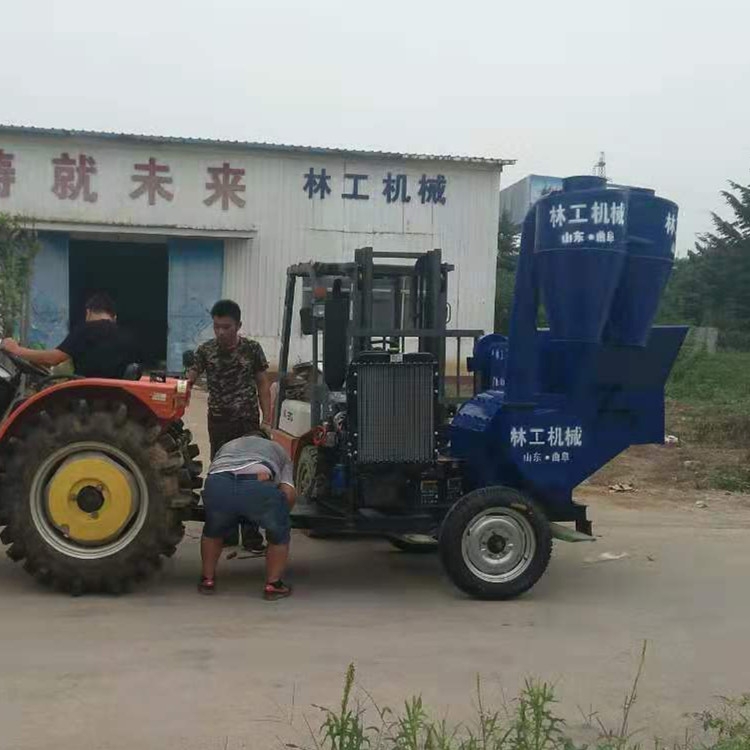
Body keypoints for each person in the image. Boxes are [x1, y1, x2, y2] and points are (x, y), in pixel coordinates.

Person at [187, 299, 272, 554]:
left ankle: (251, 535)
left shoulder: (252, 350)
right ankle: (227, 533)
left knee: (249, 478)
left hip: (247, 422)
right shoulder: (205, 351)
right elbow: (189, 378)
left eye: (226, 327)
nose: (221, 332)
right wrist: (183, 388)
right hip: (219, 422)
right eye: (216, 327)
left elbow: (263, 385)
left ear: (238, 325)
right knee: (223, 479)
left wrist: (267, 420)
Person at [198, 432, 295, 600]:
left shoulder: (228, 445)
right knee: (279, 533)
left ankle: (208, 579)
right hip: (258, 483)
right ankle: (273, 585)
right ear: (265, 439)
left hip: (219, 483)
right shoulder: (277, 449)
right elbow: (288, 492)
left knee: (212, 531)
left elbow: (212, 474)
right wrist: (279, 515)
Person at [1, 292, 136, 378]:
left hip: (86, 395)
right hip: (114, 397)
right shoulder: (127, 336)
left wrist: (16, 350)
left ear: (88, 312)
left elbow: (53, 359)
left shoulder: (86, 330)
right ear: (114, 317)